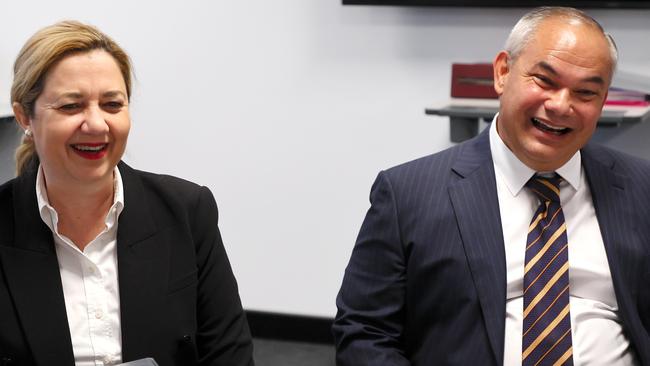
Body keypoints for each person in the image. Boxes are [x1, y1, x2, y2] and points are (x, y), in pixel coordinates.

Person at [333, 7, 650, 366]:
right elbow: (365, 332)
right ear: (502, 72)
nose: (561, 105)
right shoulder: (407, 194)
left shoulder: (641, 189)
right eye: (545, 81)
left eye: (586, 93)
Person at [0, 21, 254, 366]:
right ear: (24, 117)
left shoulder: (186, 211)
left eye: (112, 104)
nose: (96, 124)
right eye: (71, 106)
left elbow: (229, 356)